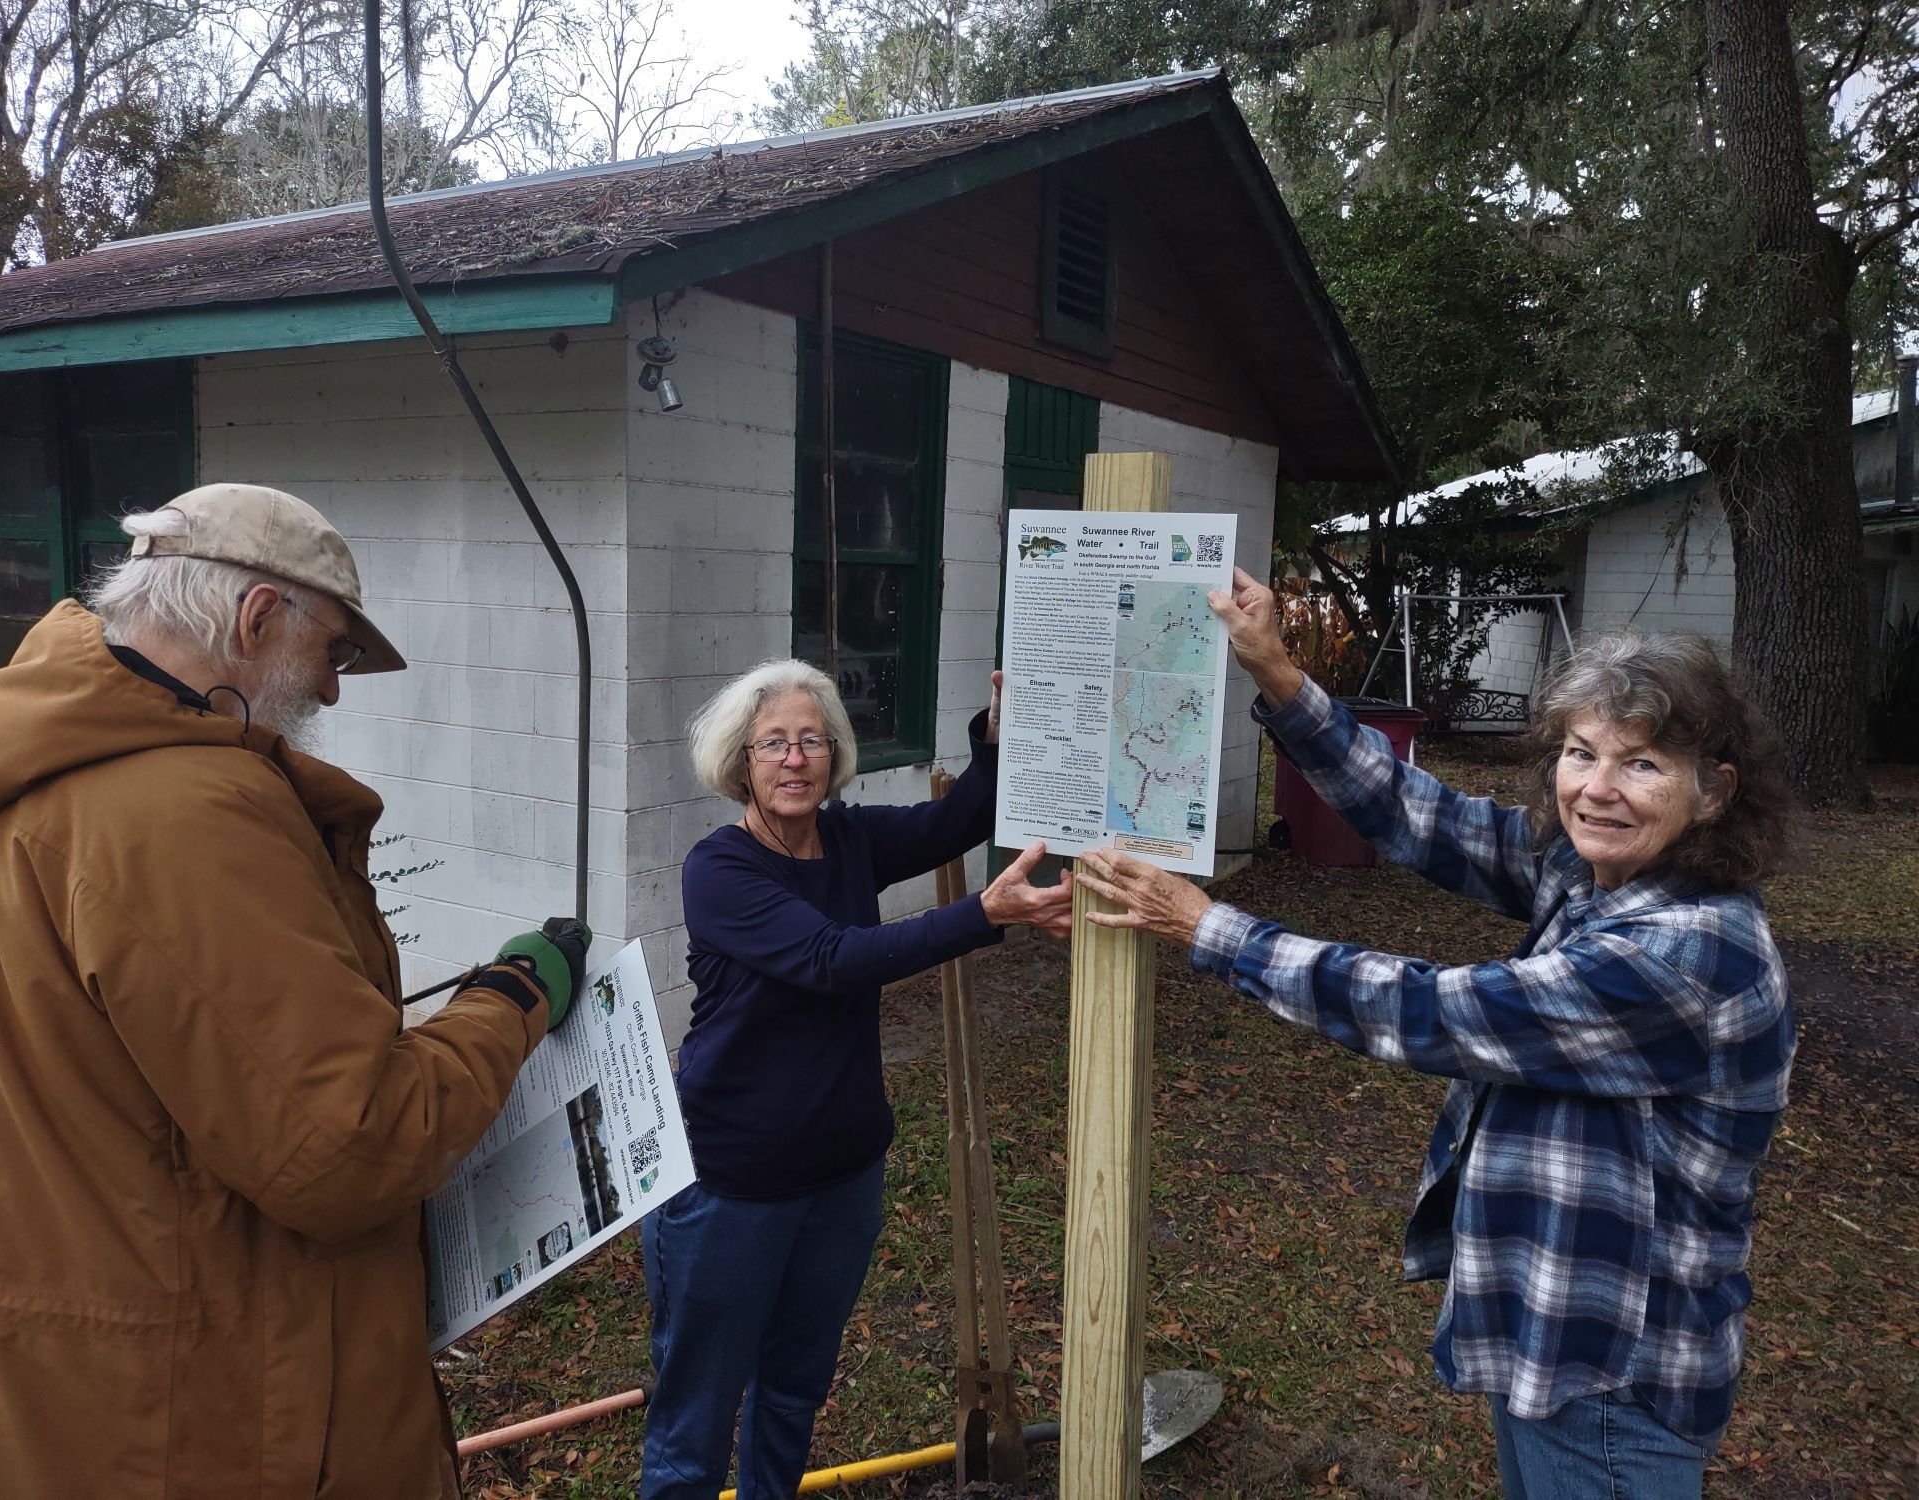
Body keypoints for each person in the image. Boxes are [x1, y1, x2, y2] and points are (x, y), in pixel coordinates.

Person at [0, 483, 588, 1499]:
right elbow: (350, 1146)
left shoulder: (44, 762)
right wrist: (513, 995)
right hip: (193, 1414)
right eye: (335, 652)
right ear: (258, 616)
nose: (329, 692)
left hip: (61, 1375)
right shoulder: (181, 810)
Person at [1076, 569, 1794, 1500]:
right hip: (1557, 1335)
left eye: (1642, 764)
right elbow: (1429, 819)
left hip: (1618, 1367)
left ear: (1713, 792)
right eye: (1580, 754)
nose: (1597, 789)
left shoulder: (1687, 953)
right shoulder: (1596, 877)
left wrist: (1211, 929)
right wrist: (1282, 677)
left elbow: (1438, 1012)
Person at [641, 660, 1072, 1499]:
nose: (795, 759)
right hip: (734, 1183)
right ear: (741, 762)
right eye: (774, 744)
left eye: (812, 741)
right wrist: (985, 915)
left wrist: (1001, 732)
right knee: (694, 1425)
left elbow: (958, 821)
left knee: (793, 1395)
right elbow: (832, 959)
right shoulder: (719, 870)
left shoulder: (848, 839)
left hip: (842, 1177)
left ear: (835, 754)